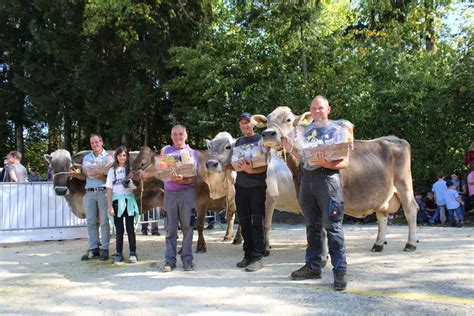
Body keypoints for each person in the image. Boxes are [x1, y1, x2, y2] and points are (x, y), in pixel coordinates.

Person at [281, 96, 350, 291]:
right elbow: (302, 156)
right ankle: (313, 266)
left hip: (328, 180)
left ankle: (340, 271)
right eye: (313, 108)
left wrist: (325, 163)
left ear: (328, 109)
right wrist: (290, 147)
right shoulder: (306, 131)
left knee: (333, 226)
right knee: (312, 225)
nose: (317, 111)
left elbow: (345, 162)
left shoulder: (338, 130)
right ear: (310, 112)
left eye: (321, 108)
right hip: (308, 180)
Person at [142, 125, 198, 272]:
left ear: (186, 136)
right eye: (175, 134)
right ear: (171, 136)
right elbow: (160, 172)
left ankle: (187, 260)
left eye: (180, 134)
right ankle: (170, 261)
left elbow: (192, 178)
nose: (178, 137)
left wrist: (181, 180)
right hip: (170, 195)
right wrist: (149, 174)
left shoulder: (192, 153)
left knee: (188, 227)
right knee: (170, 229)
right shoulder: (166, 152)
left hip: (187, 193)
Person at [225, 112, 268, 273]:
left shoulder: (260, 140)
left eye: (247, 122)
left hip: (257, 186)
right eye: (242, 123)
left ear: (253, 124)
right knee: (243, 222)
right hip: (241, 186)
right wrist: (227, 166)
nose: (245, 125)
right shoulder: (238, 142)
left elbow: (264, 166)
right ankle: (247, 254)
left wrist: (250, 170)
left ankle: (257, 257)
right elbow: (235, 164)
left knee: (257, 222)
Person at [73, 134, 111, 261]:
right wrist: (75, 175)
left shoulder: (108, 157)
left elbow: (111, 177)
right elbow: (86, 176)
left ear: (102, 142)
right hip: (89, 192)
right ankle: (93, 248)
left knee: (104, 221)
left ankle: (105, 248)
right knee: (90, 221)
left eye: (96, 142)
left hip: (103, 191)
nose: (95, 145)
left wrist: (101, 175)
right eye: (92, 143)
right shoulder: (87, 157)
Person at [106, 146, 140, 265]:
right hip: (116, 202)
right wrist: (109, 206)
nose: (122, 157)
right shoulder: (111, 171)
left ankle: (133, 253)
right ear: (116, 156)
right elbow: (109, 189)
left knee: (130, 229)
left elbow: (136, 185)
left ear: (127, 157)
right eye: (120, 155)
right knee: (119, 230)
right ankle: (119, 254)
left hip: (129, 201)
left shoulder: (130, 169)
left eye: (124, 155)